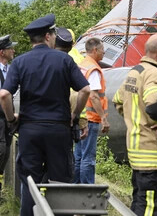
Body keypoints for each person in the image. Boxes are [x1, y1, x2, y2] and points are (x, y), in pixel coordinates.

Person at [0, 14, 91, 216]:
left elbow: (4, 94)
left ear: (33, 39)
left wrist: (11, 120)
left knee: (30, 184)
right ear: (49, 36)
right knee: (59, 184)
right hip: (59, 130)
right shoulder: (64, 60)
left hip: (29, 130)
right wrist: (75, 116)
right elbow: (85, 91)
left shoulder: (20, 62)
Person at [113, 34, 157, 216]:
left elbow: (119, 100)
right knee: (150, 208)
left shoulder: (136, 71)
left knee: (139, 204)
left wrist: (137, 121)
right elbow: (155, 105)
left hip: (138, 154)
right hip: (152, 154)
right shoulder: (154, 74)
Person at [73, 37, 109, 184]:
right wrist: (104, 118)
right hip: (91, 119)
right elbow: (94, 96)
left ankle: (75, 187)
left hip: (81, 117)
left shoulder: (82, 65)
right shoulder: (93, 69)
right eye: (102, 50)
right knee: (88, 158)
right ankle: (87, 190)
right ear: (95, 50)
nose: (104, 53)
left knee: (79, 156)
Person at [54, 28, 88, 141]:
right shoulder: (77, 58)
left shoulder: (44, 58)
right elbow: (80, 92)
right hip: (67, 114)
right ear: (73, 42)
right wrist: (80, 118)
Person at [0, 34, 16, 192]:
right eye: (10, 48)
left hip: (6, 121)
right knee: (1, 151)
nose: (14, 50)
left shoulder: (9, 70)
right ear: (2, 52)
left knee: (4, 154)